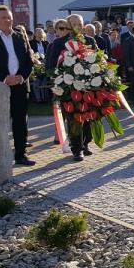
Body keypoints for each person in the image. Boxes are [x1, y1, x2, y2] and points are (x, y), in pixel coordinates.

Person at [0, 5, 35, 166]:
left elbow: (28, 61)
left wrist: (21, 77)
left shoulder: (20, 35)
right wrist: (4, 78)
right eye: (3, 17)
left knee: (20, 121)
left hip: (20, 85)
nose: (8, 20)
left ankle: (21, 155)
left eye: (9, 17)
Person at [46, 15, 99, 160]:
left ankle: (86, 143)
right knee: (74, 119)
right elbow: (51, 66)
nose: (77, 27)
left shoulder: (90, 41)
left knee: (88, 117)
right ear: (68, 25)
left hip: (88, 87)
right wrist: (63, 78)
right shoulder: (59, 43)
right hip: (69, 88)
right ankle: (77, 149)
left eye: (80, 24)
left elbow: (99, 60)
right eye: (74, 24)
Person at [121, 24, 134, 104]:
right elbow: (126, 54)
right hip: (132, 66)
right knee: (133, 83)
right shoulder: (128, 40)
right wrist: (129, 65)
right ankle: (132, 99)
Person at [29, 28, 50, 103]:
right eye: (38, 33)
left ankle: (44, 98)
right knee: (37, 81)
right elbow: (30, 54)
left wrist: (45, 60)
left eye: (41, 32)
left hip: (45, 64)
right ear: (35, 34)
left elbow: (49, 53)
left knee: (44, 81)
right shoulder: (31, 43)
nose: (40, 34)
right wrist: (37, 60)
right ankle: (38, 98)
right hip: (35, 64)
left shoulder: (46, 43)